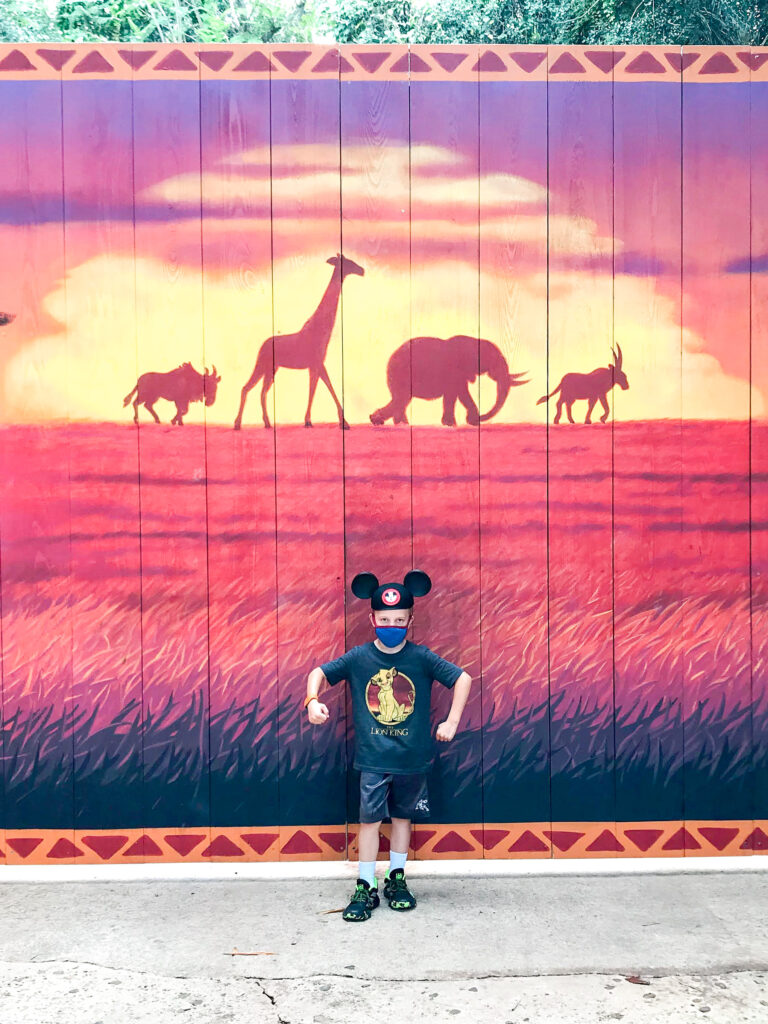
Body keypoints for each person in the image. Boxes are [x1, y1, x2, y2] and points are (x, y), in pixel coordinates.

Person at [305, 570, 472, 922]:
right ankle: (365, 884)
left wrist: (452, 721)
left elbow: (462, 678)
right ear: (372, 619)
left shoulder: (421, 657)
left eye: (399, 620)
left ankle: (396, 878)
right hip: (372, 759)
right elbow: (318, 673)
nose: (391, 625)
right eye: (384, 619)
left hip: (412, 760)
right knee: (368, 821)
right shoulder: (359, 658)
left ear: (410, 620)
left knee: (402, 818)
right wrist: (312, 700)